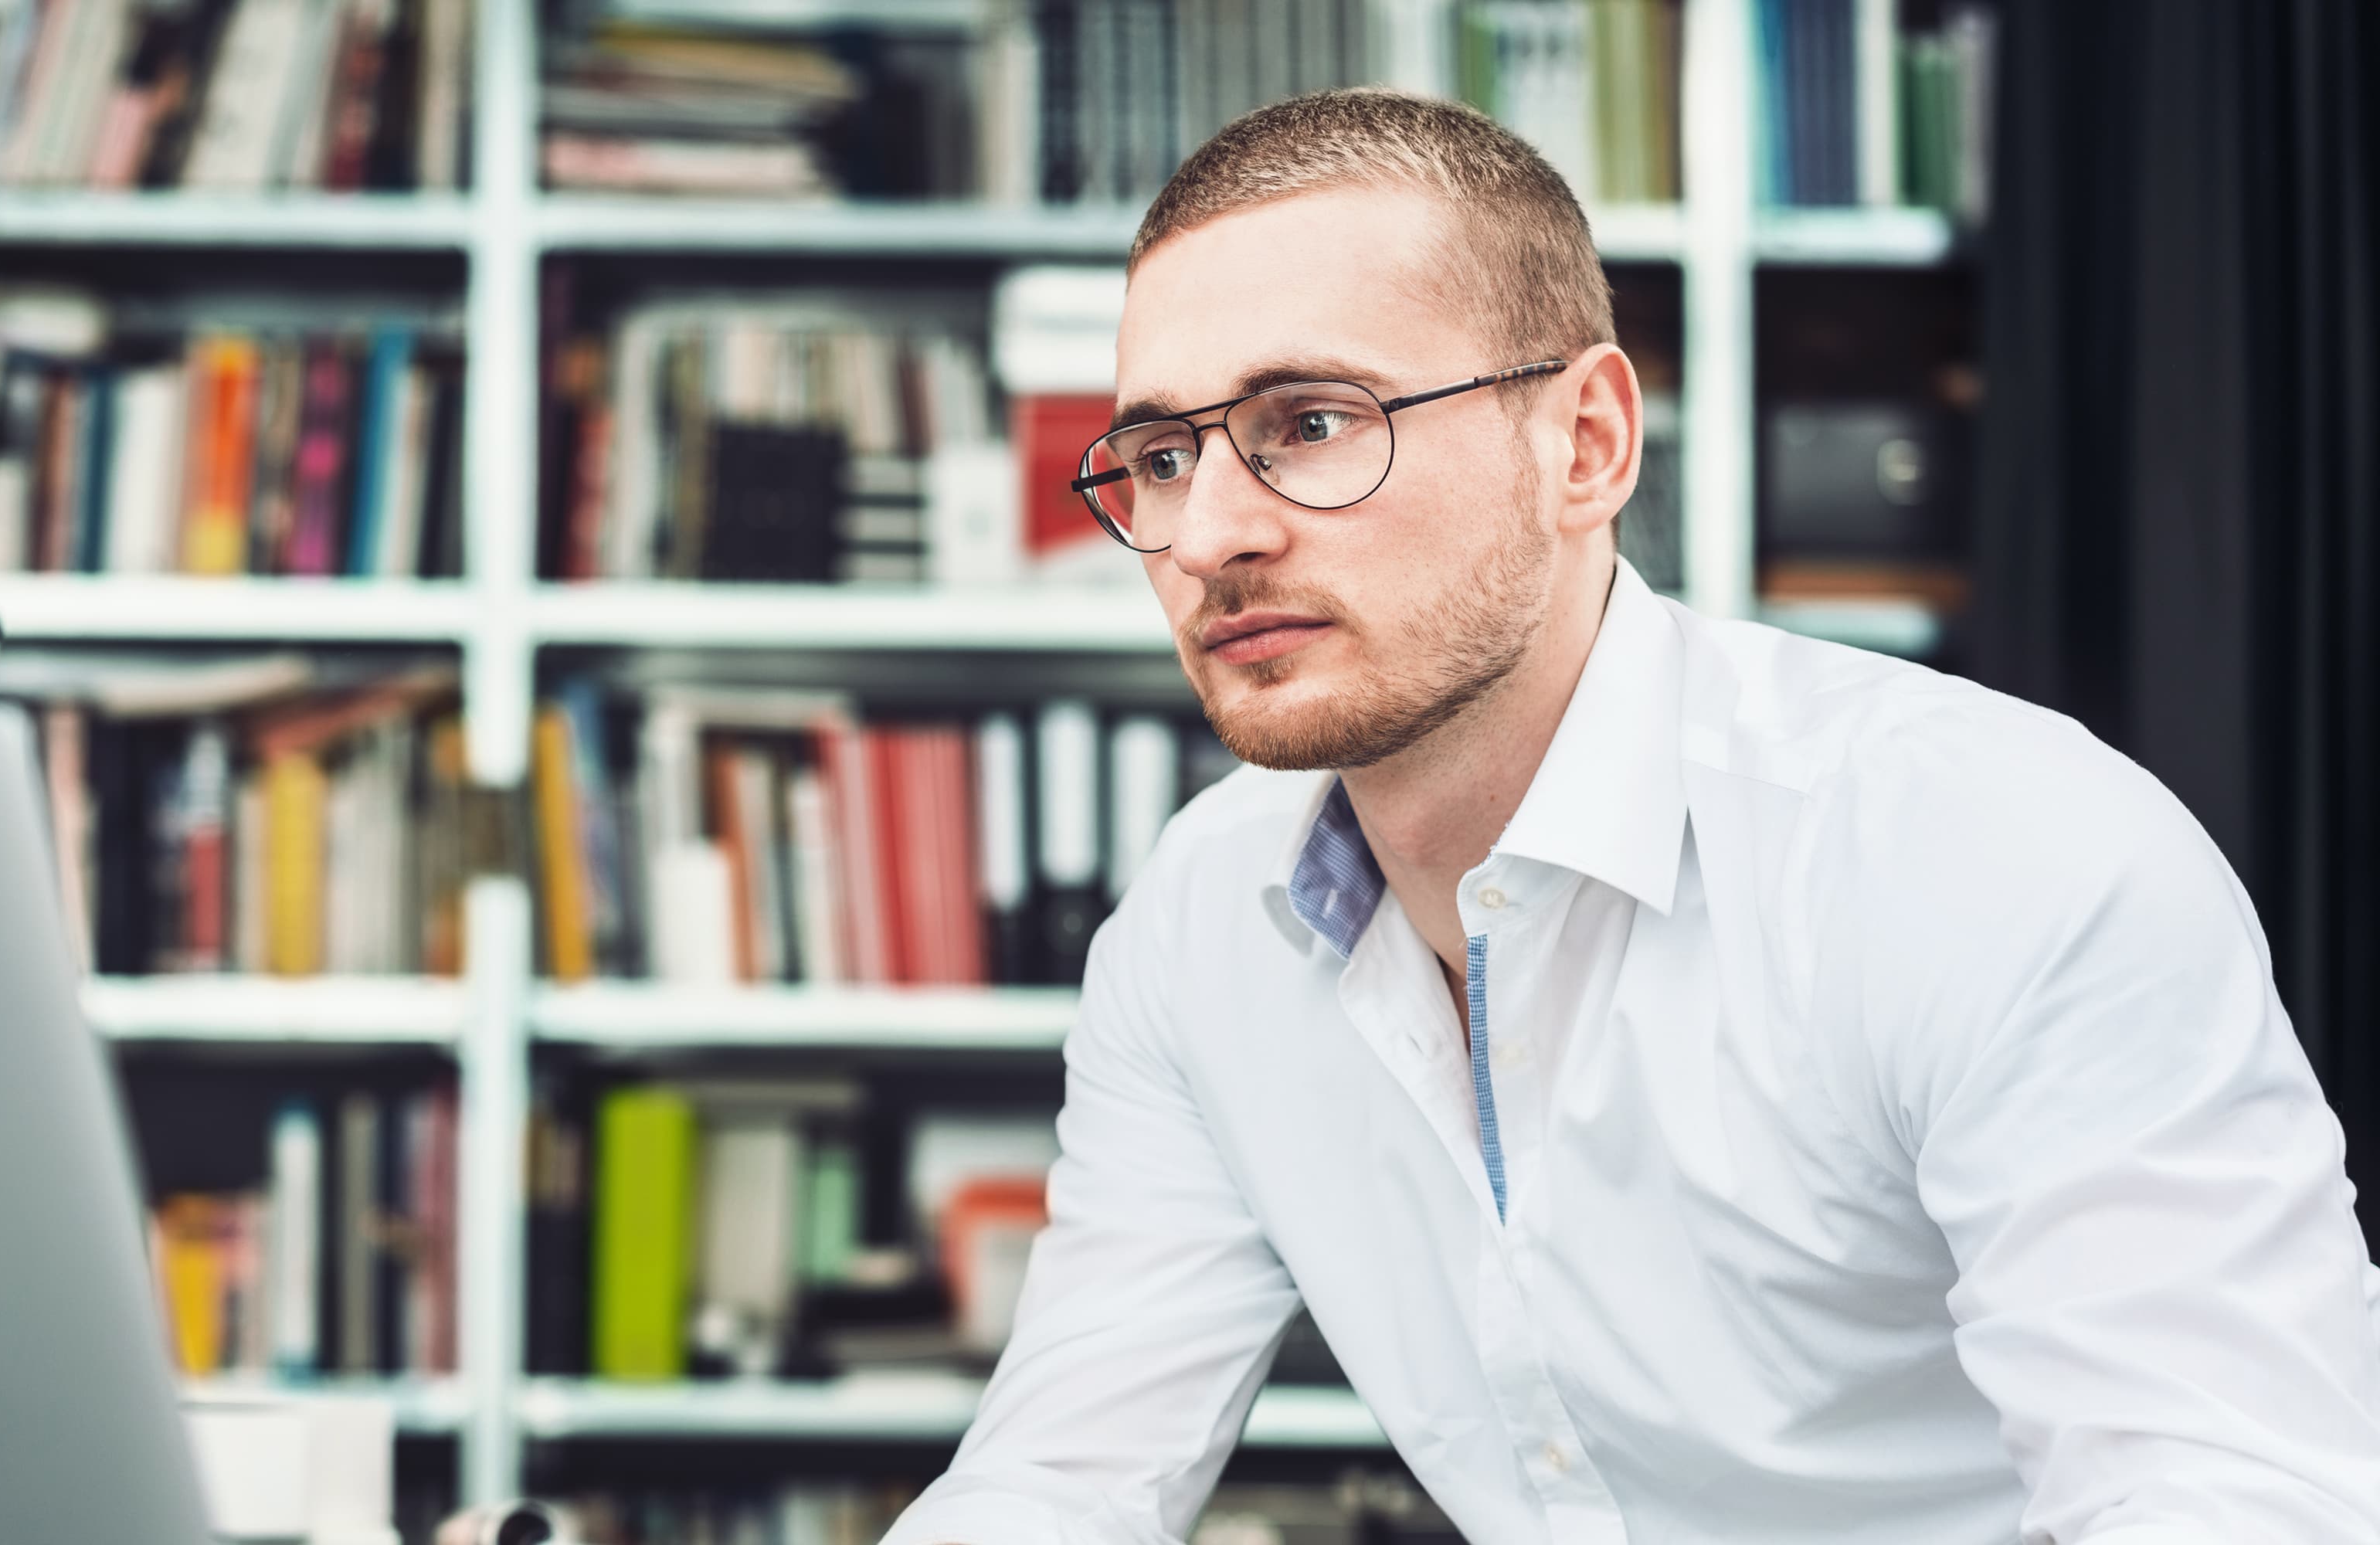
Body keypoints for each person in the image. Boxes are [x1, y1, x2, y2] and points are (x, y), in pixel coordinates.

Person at [878, 88, 2380, 1545]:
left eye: (1312, 420)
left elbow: (2237, 1501)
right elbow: (1062, 1478)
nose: (1205, 534)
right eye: (1157, 456)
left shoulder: (1989, 854)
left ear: (1584, 443)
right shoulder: (1196, 929)